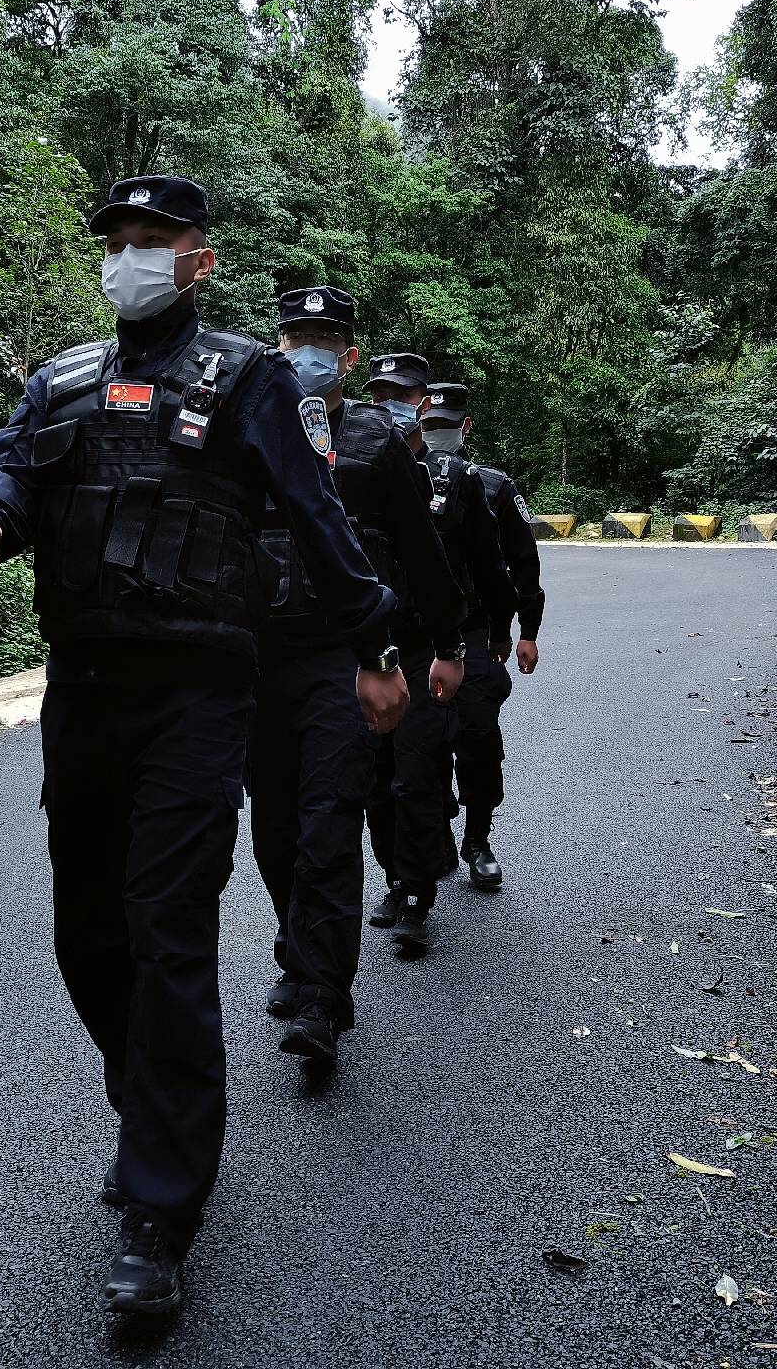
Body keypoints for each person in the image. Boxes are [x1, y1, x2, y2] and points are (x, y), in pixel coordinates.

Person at [0, 175, 409, 1318]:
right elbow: (9, 461)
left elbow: (313, 510)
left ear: (198, 261)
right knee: (86, 933)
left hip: (202, 693)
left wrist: (373, 645)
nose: (129, 257)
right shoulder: (58, 377)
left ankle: (161, 1208)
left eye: (152, 240)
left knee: (165, 930)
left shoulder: (247, 377)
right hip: (85, 689)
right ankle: (149, 1096)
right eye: (116, 240)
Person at [250, 286, 467, 1068]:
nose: (308, 350)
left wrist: (446, 643)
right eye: (295, 336)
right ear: (277, 346)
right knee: (273, 827)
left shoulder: (378, 441)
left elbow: (421, 554)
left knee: (328, 824)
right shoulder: (247, 427)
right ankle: (294, 946)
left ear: (348, 354)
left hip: (344, 661)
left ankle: (322, 999)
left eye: (324, 339)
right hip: (256, 661)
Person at [361, 353, 514, 953]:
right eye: (381, 393)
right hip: (368, 648)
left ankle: (420, 890)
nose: (390, 404)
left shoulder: (459, 482)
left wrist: (499, 630)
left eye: (402, 394)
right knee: (376, 781)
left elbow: (490, 566)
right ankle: (397, 875)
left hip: (430, 645)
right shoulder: (353, 468)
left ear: (423, 404)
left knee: (417, 774)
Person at [421, 382, 545, 890]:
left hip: (476, 630)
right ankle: (425, 848)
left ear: (465, 427)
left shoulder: (491, 485)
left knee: (476, 734)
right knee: (419, 743)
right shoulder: (396, 479)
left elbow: (522, 562)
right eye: (429, 426)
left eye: (445, 427)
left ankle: (478, 837)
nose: (435, 436)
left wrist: (526, 630)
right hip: (415, 631)